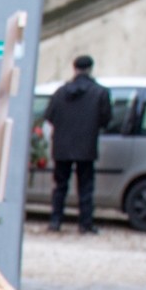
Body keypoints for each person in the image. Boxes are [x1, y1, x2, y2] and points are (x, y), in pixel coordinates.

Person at [45, 56, 112, 235]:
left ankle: (55, 220)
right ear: (90, 68)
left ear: (74, 69)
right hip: (86, 145)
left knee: (60, 186)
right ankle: (85, 223)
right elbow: (106, 119)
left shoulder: (60, 92)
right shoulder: (100, 92)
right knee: (86, 186)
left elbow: (49, 115)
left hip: (61, 146)